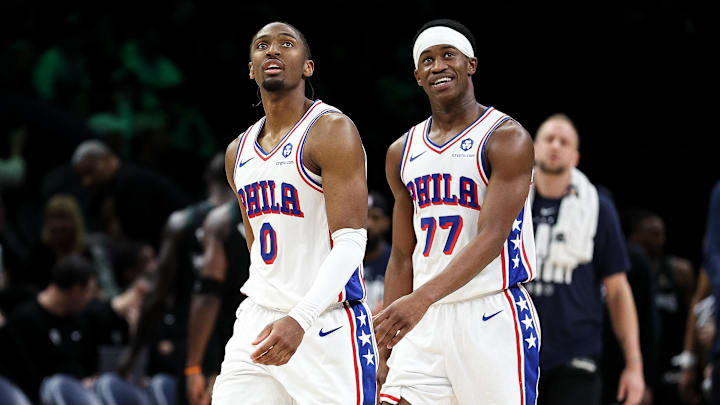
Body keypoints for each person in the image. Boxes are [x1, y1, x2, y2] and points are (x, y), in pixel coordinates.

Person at [375, 19, 539, 405]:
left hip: (490, 315)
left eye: (449, 55)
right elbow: (401, 254)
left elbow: (492, 237)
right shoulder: (402, 151)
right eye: (427, 60)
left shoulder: (506, 137)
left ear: (471, 65)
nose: (438, 66)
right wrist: (388, 337)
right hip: (424, 321)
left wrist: (420, 299)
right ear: (417, 76)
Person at [211, 22, 374, 405]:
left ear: (307, 67)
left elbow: (352, 241)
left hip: (325, 324)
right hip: (259, 319)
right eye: (262, 45)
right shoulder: (239, 151)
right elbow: (255, 244)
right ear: (250, 68)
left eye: (287, 44)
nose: (273, 51)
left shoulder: (331, 131)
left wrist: (300, 317)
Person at [526, 113, 645, 405]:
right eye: (549, 139)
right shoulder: (508, 201)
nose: (555, 145)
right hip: (511, 352)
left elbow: (617, 291)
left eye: (564, 141)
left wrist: (634, 364)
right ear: (532, 148)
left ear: (575, 156)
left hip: (575, 356)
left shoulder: (598, 209)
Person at [5, 254, 144, 401]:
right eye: (90, 291)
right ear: (76, 290)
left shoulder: (78, 320)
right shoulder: (24, 320)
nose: (90, 299)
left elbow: (91, 364)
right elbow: (25, 378)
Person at [185, 201, 250, 405]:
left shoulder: (220, 221)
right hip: (278, 328)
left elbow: (208, 296)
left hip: (245, 334)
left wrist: (194, 366)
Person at [626, 210, 694, 403]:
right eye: (652, 233)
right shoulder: (624, 274)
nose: (659, 239)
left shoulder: (679, 272)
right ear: (634, 236)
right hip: (640, 357)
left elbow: (691, 315)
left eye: (661, 233)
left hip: (672, 357)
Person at [71, 139, 190, 247]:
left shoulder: (130, 181)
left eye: (90, 171)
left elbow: (142, 233)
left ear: (107, 159)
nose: (86, 182)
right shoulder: (114, 185)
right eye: (82, 176)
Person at [364, 191, 392, 313]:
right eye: (364, 216)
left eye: (375, 217)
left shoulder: (396, 260)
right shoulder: (341, 259)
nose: (368, 224)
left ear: (386, 222)